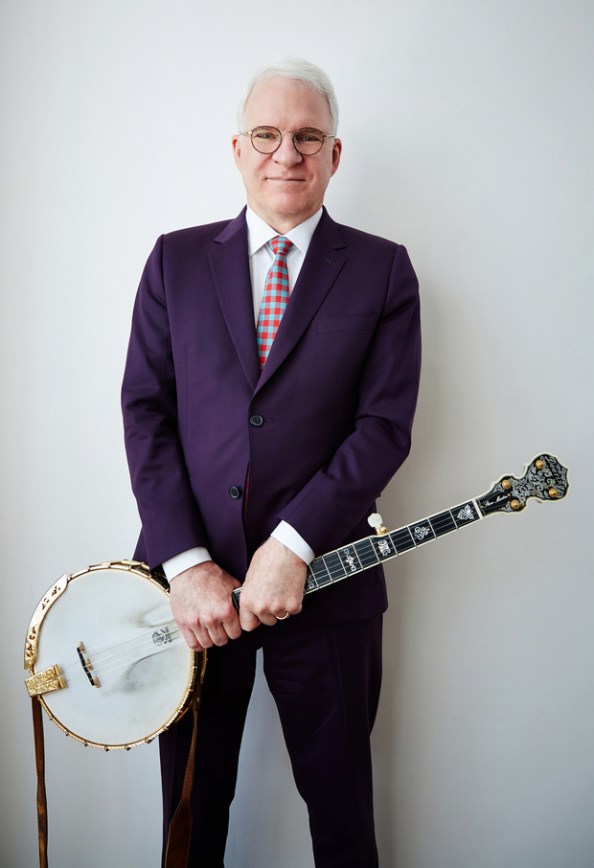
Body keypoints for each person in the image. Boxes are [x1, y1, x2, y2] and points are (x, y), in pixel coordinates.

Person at [122, 58, 421, 868]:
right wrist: (186, 566)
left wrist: (291, 547)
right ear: (238, 147)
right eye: (268, 134)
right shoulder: (174, 262)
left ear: (333, 154)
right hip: (192, 600)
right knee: (189, 819)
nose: (286, 153)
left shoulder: (384, 269)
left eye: (307, 137)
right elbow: (144, 415)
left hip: (327, 589)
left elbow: (383, 428)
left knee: (342, 818)